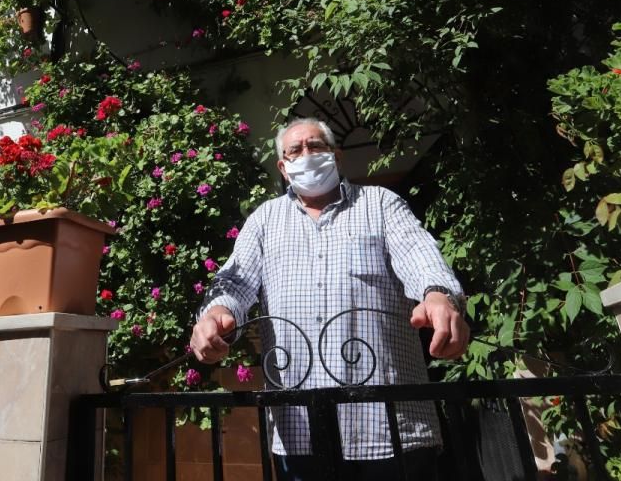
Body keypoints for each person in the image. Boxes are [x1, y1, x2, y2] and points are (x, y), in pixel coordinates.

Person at [190, 117, 469, 480]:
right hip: (300, 434)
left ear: (336, 156)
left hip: (391, 428)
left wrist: (439, 295)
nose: (306, 155)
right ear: (283, 167)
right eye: (295, 150)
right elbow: (235, 281)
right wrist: (216, 313)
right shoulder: (264, 221)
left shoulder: (380, 205)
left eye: (315, 146)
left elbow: (419, 255)